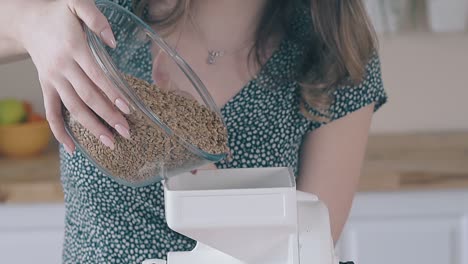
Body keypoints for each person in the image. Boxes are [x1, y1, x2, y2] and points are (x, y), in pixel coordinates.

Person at [0, 0, 387, 263]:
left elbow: (307, 248)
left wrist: (221, 198)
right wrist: (32, 22)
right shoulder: (110, 12)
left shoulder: (336, 55)